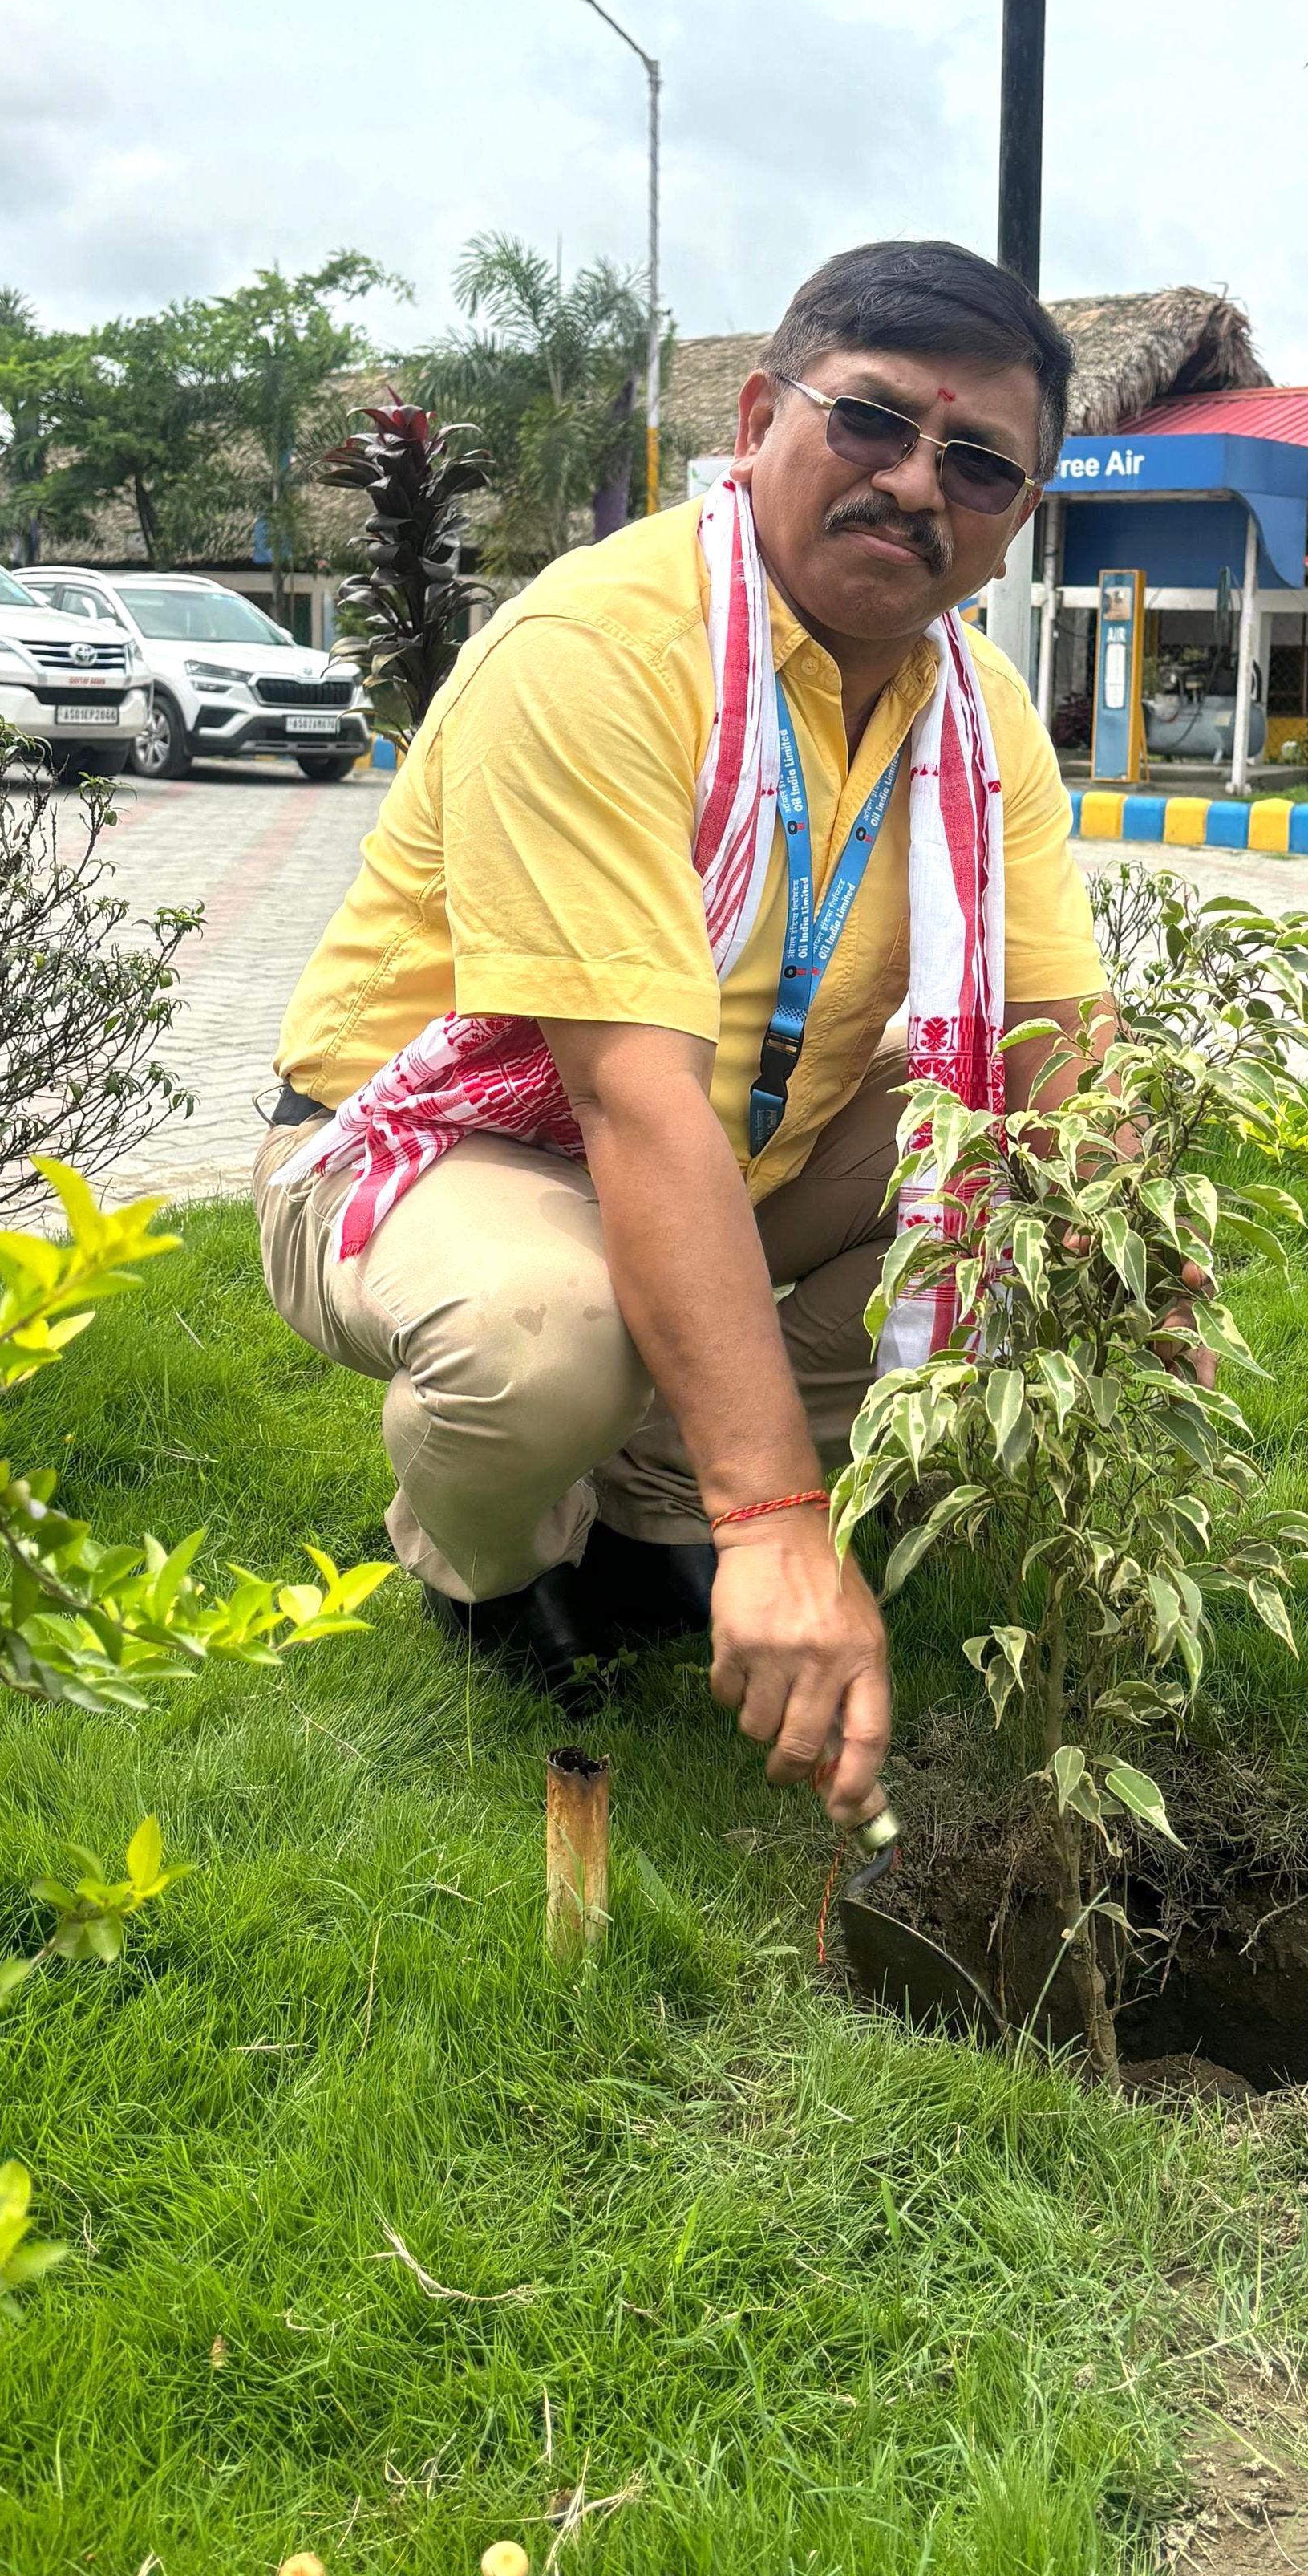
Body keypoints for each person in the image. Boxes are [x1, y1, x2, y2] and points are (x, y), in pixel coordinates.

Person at [254, 240, 1103, 1827]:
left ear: (1015, 521)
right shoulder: (602, 651)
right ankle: (487, 1567)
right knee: (547, 1339)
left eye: (977, 461)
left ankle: (656, 1526)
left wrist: (1142, 1327)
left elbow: (1058, 1044)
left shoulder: (977, 712)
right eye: (871, 425)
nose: (919, 485)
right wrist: (784, 1518)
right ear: (760, 412)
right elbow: (634, 1099)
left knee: (1026, 1181)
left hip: (729, 1145)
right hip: (440, 1151)